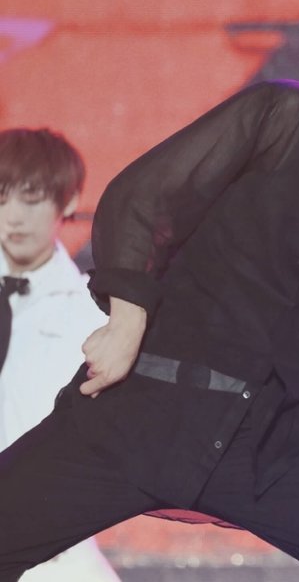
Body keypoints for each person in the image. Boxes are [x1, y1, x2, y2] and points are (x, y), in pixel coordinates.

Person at [0, 0, 299, 582]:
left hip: (268, 448)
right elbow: (144, 198)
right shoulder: (286, 119)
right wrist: (127, 318)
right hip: (141, 406)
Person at [0, 129, 120, 582]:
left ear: (68, 201)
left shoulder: (93, 315)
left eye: (31, 200)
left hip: (48, 547)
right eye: (1, 198)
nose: (14, 217)